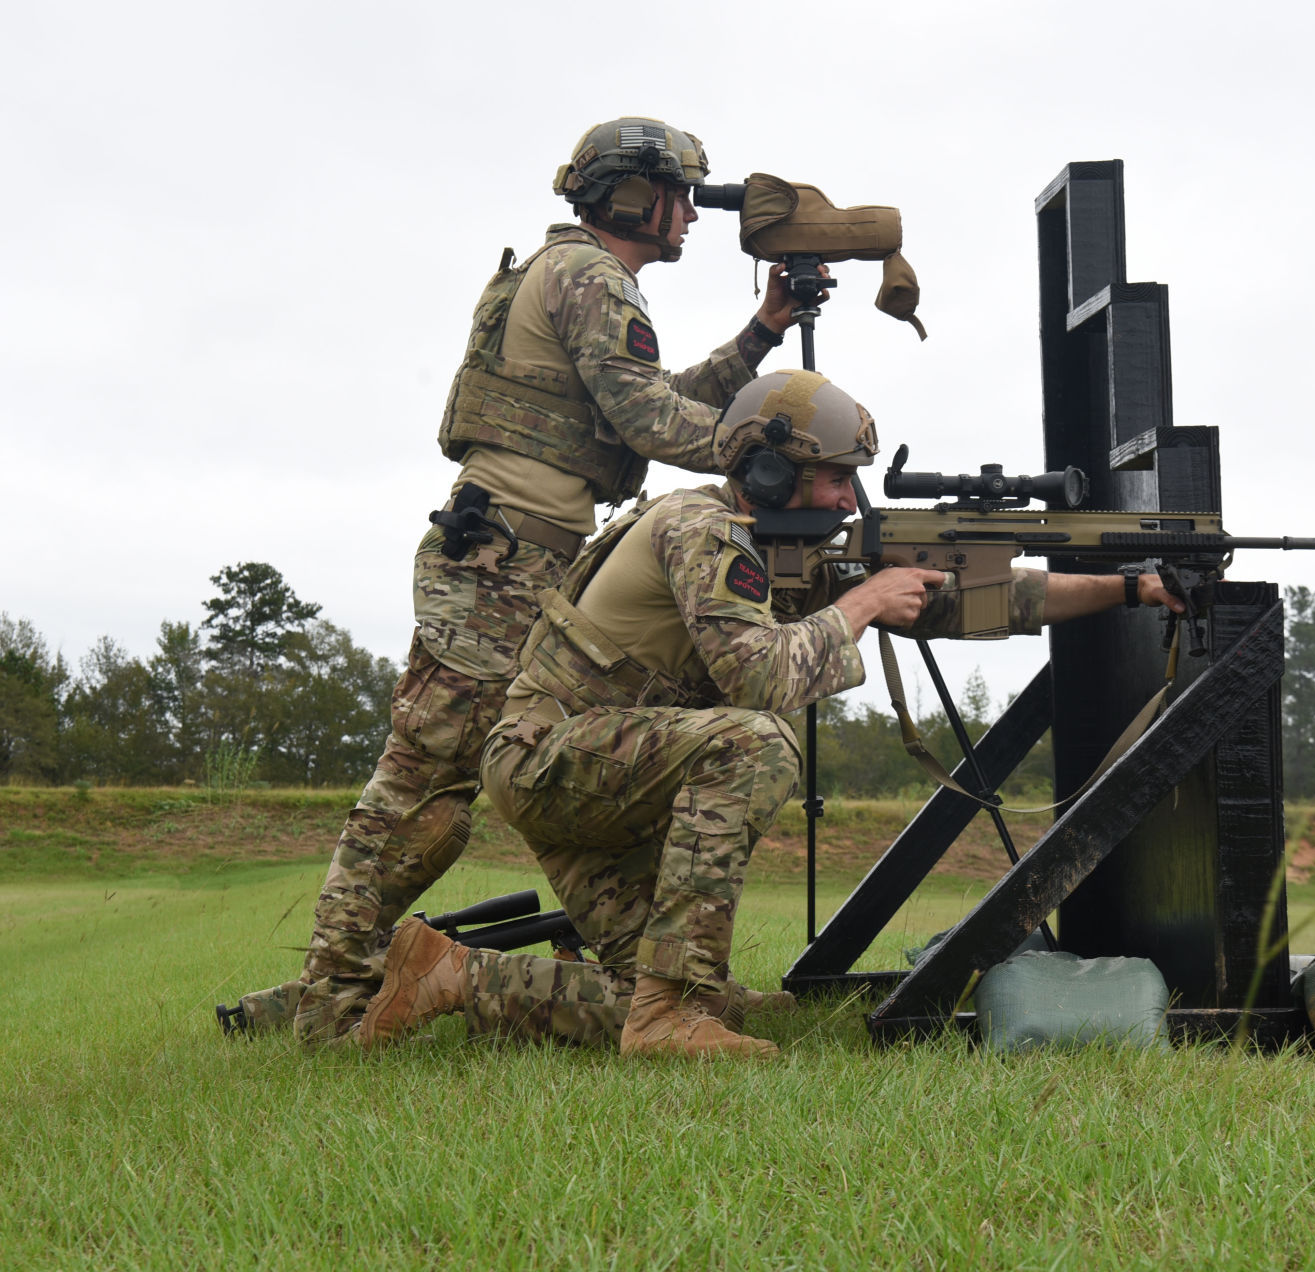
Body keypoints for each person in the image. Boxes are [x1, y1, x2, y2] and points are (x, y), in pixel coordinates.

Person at [355, 368, 1183, 1058]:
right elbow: (756, 678)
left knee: (654, 997)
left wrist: (1130, 588)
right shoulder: (703, 531)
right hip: (554, 762)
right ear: (766, 473)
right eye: (833, 476)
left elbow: (991, 601)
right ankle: (669, 1014)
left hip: (590, 769)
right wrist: (860, 604)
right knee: (755, 742)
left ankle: (453, 976)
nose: (850, 498)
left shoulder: (773, 550)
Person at [223, 116, 806, 1044]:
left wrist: (761, 335)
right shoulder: (589, 276)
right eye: (681, 193)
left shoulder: (575, 275)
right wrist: (777, 447)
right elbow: (654, 422)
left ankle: (654, 988)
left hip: (523, 563)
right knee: (419, 798)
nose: (694, 213)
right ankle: (331, 1002)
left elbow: (647, 406)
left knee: (561, 772)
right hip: (500, 569)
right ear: (631, 196)